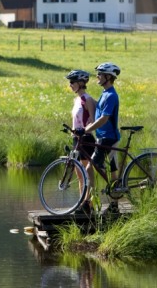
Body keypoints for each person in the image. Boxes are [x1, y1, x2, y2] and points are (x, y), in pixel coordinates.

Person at [83, 62, 121, 214]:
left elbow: (104, 119)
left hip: (108, 139)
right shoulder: (105, 93)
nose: (97, 76)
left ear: (108, 77)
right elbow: (98, 114)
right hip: (104, 137)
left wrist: (88, 129)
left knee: (89, 168)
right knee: (112, 172)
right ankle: (114, 205)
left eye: (100, 74)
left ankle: (89, 204)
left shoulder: (111, 95)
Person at [65, 70, 96, 215]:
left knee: (87, 173)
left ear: (81, 83)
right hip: (76, 139)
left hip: (86, 138)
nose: (70, 85)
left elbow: (93, 119)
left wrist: (85, 129)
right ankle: (82, 203)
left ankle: (89, 203)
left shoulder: (87, 99)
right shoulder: (76, 100)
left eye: (72, 82)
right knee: (79, 174)